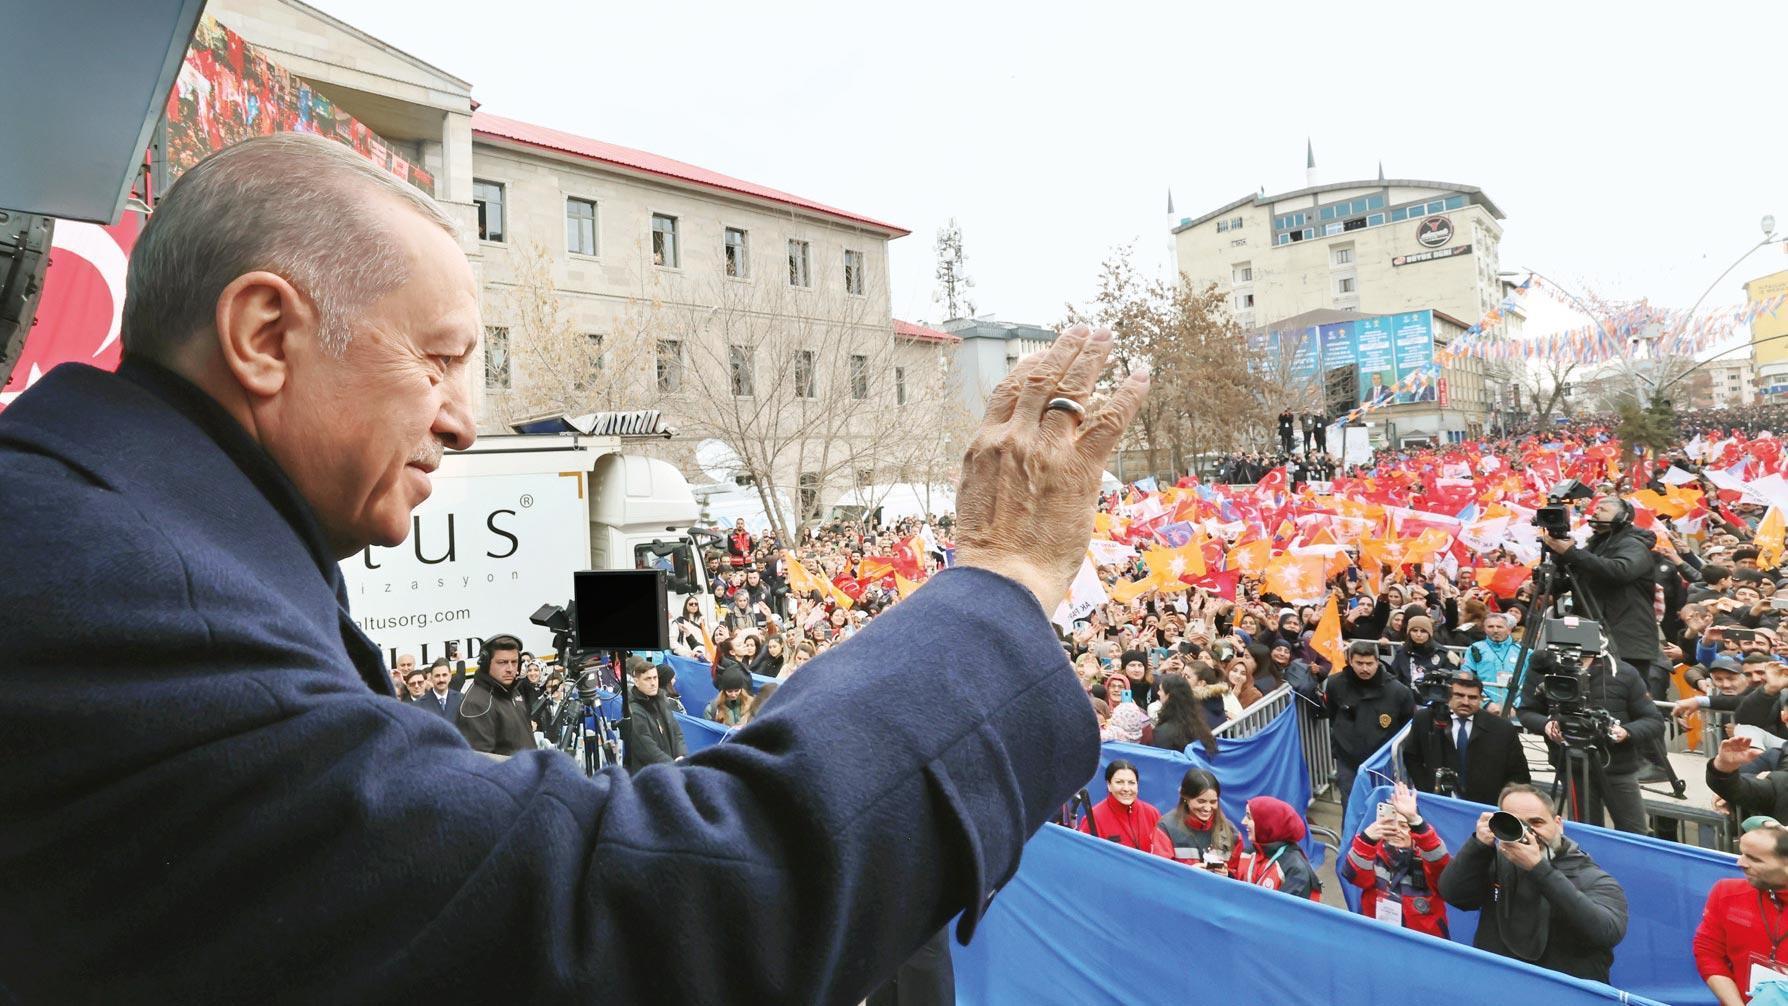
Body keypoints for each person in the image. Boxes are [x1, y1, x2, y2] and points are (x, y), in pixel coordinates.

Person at [0, 130, 1148, 1002]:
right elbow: (623, 906)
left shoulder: (121, 540)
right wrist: (1002, 575)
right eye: (443, 360)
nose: (463, 419)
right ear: (263, 335)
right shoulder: (127, 600)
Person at [1437, 784, 1629, 982]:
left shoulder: (1591, 877)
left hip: (1561, 992)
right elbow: (1453, 894)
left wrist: (1539, 869)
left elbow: (1607, 932)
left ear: (1558, 823)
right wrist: (1477, 845)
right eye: (1517, 823)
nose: (1528, 832)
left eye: (1536, 822)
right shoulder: (1495, 862)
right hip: (1497, 984)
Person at [1517, 641, 1664, 834]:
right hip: (1572, 766)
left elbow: (1654, 720)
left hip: (1618, 767)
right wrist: (1546, 725)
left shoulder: (1623, 673)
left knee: (1634, 833)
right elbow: (1526, 711)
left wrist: (1626, 732)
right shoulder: (1543, 671)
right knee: (1585, 834)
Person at [1544, 497, 1664, 680]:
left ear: (1623, 516)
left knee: (1624, 696)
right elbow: (1571, 582)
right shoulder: (1594, 546)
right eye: (1596, 508)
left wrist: (1572, 553)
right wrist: (1557, 562)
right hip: (1593, 636)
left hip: (1625, 641)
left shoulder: (1633, 545)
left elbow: (1620, 571)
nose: (1596, 511)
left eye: (1604, 509)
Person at [1693, 818, 1788, 1005]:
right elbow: (1708, 952)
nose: (1740, 863)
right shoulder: (1726, 893)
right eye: (1742, 854)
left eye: (1754, 859)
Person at [1340, 782, 1451, 937]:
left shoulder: (1427, 856)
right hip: (1379, 938)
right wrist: (1366, 840)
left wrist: (1415, 820)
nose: (1398, 830)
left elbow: (1443, 868)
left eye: (1404, 825)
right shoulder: (1373, 853)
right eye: (1392, 824)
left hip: (1423, 945)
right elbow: (1353, 875)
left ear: (1415, 831)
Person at [1403, 673, 1531, 805]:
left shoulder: (1502, 729)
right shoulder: (1425, 719)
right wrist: (1426, 790)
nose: (1465, 702)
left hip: (1484, 806)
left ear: (1481, 699)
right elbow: (1412, 757)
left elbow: (1519, 775)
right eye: (1459, 695)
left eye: (1472, 697)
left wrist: (1504, 803)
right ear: (1447, 695)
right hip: (1438, 802)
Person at [1316, 640, 1415, 806]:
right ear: (1350, 661)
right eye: (1359, 663)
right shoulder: (1335, 684)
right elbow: (1333, 715)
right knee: (1351, 806)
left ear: (1377, 661)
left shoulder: (1398, 691)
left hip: (1382, 763)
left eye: (1369, 663)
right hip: (1348, 760)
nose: (1365, 668)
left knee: (1385, 806)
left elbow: (1405, 727)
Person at [1228, 796, 1321, 900]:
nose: (1243, 821)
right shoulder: (1249, 853)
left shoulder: (1296, 870)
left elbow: (1284, 912)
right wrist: (1225, 874)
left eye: (1249, 817)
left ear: (1267, 824)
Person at [455, 635, 534, 757]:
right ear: (486, 663)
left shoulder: (512, 690)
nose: (510, 669)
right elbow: (480, 765)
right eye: (502, 662)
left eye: (514, 662)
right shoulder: (477, 704)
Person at [1077, 761, 1172, 858]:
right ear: (1109, 785)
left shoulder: (1152, 813)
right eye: (1119, 782)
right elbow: (1083, 857)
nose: (1126, 788)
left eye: (1131, 783)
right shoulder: (1093, 818)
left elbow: (1164, 856)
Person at [1157, 767, 1237, 871]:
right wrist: (1190, 872)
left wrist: (1227, 875)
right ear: (1186, 798)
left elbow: (1237, 874)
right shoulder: (1166, 828)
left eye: (1213, 802)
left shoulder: (1231, 832)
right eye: (1201, 801)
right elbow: (1160, 871)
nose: (1208, 808)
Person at [1461, 613, 1527, 711]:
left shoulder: (1524, 652)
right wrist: (1486, 703)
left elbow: (1529, 682)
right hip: (1484, 710)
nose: (1495, 630)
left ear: (1509, 630)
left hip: (1515, 711)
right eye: (1490, 627)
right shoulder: (1475, 649)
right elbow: (1467, 677)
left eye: (1499, 627)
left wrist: (1516, 706)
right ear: (1484, 629)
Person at [1147, 674, 1220, 758]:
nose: (1158, 693)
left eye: (1160, 690)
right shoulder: (1199, 724)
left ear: (1169, 695)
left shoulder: (1163, 731)